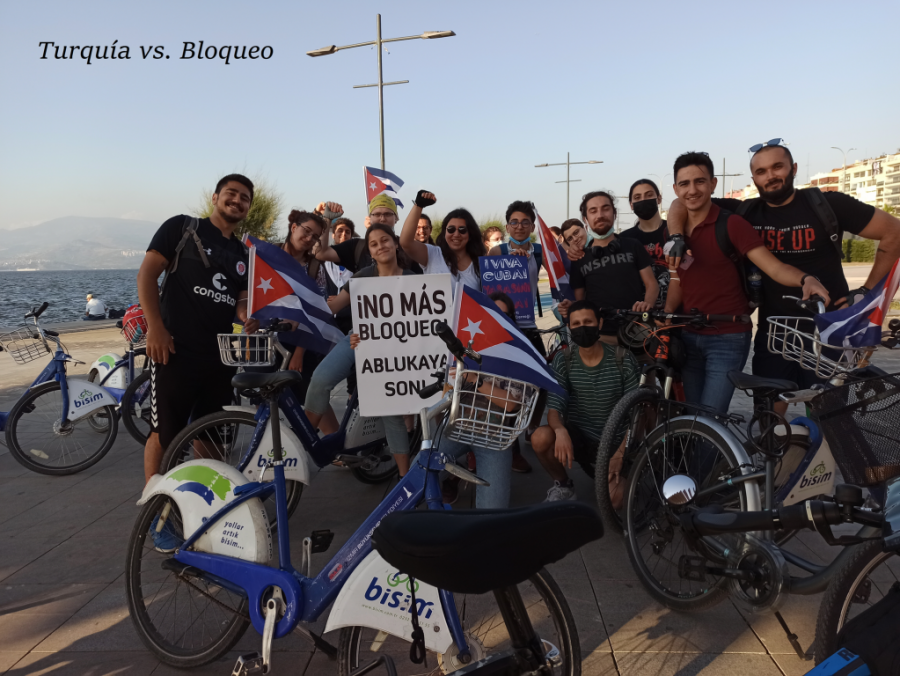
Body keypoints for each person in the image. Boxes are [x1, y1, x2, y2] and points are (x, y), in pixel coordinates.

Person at [666, 142, 900, 414]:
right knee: (768, 419)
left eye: (777, 167)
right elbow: (681, 202)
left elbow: (893, 232)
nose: (770, 176)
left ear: (794, 168)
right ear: (754, 178)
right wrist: (676, 237)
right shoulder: (746, 212)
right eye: (761, 171)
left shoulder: (828, 204)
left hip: (827, 330)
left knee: (828, 417)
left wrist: (866, 291)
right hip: (775, 332)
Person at [136, 174, 256, 550]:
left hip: (219, 358)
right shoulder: (182, 228)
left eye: (244, 198)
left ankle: (203, 509)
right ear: (216, 197)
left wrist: (246, 316)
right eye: (231, 193)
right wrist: (155, 328)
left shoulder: (242, 254)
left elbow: (239, 300)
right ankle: (159, 514)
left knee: (212, 437)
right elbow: (147, 275)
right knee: (165, 435)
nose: (237, 201)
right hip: (173, 350)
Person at [663, 152, 830, 414]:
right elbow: (678, 279)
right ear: (675, 189)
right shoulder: (675, 232)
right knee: (692, 416)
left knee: (709, 417)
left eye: (700, 181)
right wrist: (665, 313)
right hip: (689, 334)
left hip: (727, 337)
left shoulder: (732, 225)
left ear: (713, 184)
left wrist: (805, 278)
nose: (692, 190)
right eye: (684, 184)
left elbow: (773, 267)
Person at [305, 223, 412, 472]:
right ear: (370, 252)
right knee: (320, 379)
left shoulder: (412, 278)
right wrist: (299, 310)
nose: (380, 246)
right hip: (358, 339)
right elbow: (332, 307)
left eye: (384, 240)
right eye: (373, 244)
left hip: (396, 352)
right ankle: (304, 441)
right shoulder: (363, 276)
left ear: (395, 243)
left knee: (390, 412)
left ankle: (404, 478)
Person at [531, 300, 640, 501]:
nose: (582, 328)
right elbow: (555, 408)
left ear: (600, 323)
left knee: (615, 499)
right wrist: (560, 430)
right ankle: (563, 486)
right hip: (581, 438)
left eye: (588, 322)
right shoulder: (564, 359)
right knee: (540, 437)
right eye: (576, 323)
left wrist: (620, 454)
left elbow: (637, 415)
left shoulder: (623, 359)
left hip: (616, 442)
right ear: (569, 327)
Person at [560, 191, 658, 345]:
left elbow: (652, 284)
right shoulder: (579, 258)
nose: (600, 215)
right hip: (600, 338)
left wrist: (647, 305)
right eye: (593, 211)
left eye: (605, 208)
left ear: (615, 213)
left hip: (636, 333)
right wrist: (571, 306)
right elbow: (580, 301)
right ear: (585, 219)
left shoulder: (633, 245)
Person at [487, 200, 549, 358]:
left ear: (532, 227)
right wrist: (510, 262)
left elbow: (559, 276)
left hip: (528, 324)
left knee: (541, 367)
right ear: (507, 227)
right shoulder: (497, 252)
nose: (519, 226)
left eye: (525, 222)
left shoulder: (540, 252)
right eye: (514, 222)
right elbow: (488, 287)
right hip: (502, 324)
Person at [399, 191, 484, 296]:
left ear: (470, 233)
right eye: (451, 229)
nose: (456, 234)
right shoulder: (433, 254)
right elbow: (405, 242)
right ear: (444, 232)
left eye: (462, 230)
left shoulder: (480, 263)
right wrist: (418, 205)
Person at [620, 178, 670, 308]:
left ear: (659, 199)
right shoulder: (624, 239)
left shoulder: (675, 232)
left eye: (649, 195)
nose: (643, 200)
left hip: (676, 311)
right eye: (637, 197)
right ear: (631, 204)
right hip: (636, 312)